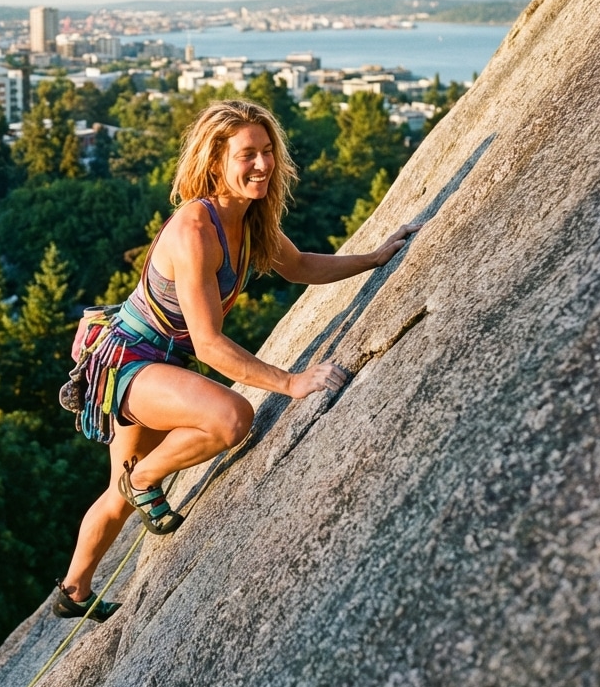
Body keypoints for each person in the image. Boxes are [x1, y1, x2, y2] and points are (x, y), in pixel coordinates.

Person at [52, 99, 420, 622]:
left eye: (268, 152)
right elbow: (208, 344)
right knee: (231, 419)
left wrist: (375, 256)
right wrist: (290, 383)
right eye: (248, 154)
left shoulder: (249, 220)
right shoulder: (197, 231)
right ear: (214, 161)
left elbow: (297, 266)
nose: (263, 165)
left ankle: (73, 591)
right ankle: (144, 482)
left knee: (115, 491)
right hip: (129, 360)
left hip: (160, 360)